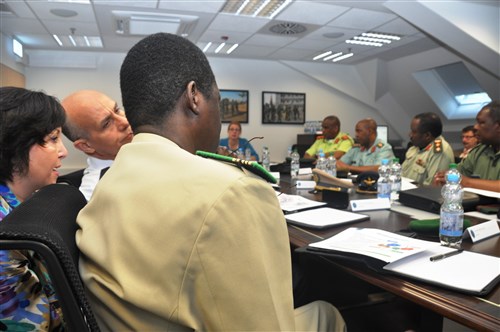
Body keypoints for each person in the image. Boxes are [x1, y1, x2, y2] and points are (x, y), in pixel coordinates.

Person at [76, 33, 345, 331]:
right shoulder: (233, 192)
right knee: (326, 313)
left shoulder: (108, 180)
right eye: (217, 100)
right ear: (194, 97)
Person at [0, 86, 68, 331]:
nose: (64, 152)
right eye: (53, 139)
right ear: (16, 144)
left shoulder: (23, 206)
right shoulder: (6, 234)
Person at [61, 90, 133, 200]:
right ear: (86, 146)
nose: (124, 122)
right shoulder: (96, 197)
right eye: (107, 123)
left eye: (117, 110)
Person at [434, 101, 499, 191]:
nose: (475, 127)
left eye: (481, 123)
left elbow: (463, 180)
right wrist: (444, 177)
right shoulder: (479, 151)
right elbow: (458, 174)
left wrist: (467, 182)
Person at [401, 112, 454, 186]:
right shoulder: (414, 148)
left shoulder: (439, 151)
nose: (410, 135)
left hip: (419, 195)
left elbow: (432, 188)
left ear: (427, 135)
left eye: (414, 132)